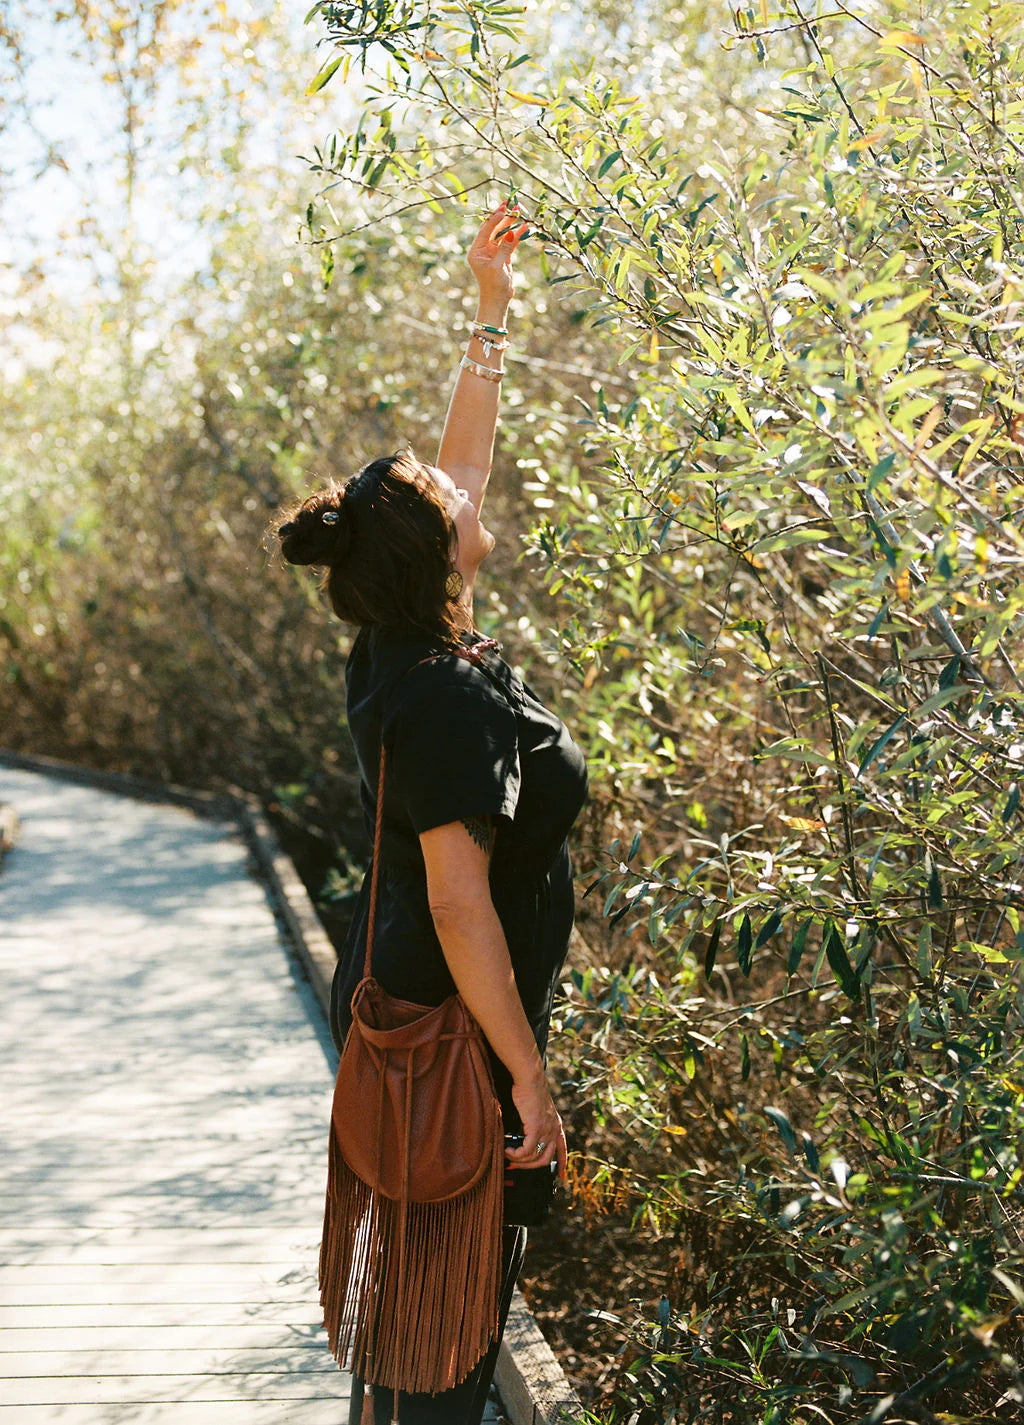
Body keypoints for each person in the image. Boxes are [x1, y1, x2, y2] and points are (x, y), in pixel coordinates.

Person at [274, 201, 589, 1425]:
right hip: (460, 1031)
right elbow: (463, 907)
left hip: (426, 1000)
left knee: (426, 1311)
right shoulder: (447, 699)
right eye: (450, 503)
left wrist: (490, 308)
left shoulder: (395, 644)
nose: (472, 496)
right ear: (437, 552)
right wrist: (530, 1081)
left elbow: (458, 467)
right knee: (446, 1333)